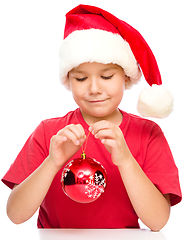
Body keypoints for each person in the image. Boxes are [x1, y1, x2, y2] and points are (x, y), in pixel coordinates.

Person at [1, 4, 182, 230]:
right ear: (68, 79)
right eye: (80, 79)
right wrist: (52, 162)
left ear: (126, 77)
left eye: (106, 76)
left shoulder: (147, 134)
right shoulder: (49, 132)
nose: (94, 89)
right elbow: (16, 215)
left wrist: (126, 160)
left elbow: (158, 222)